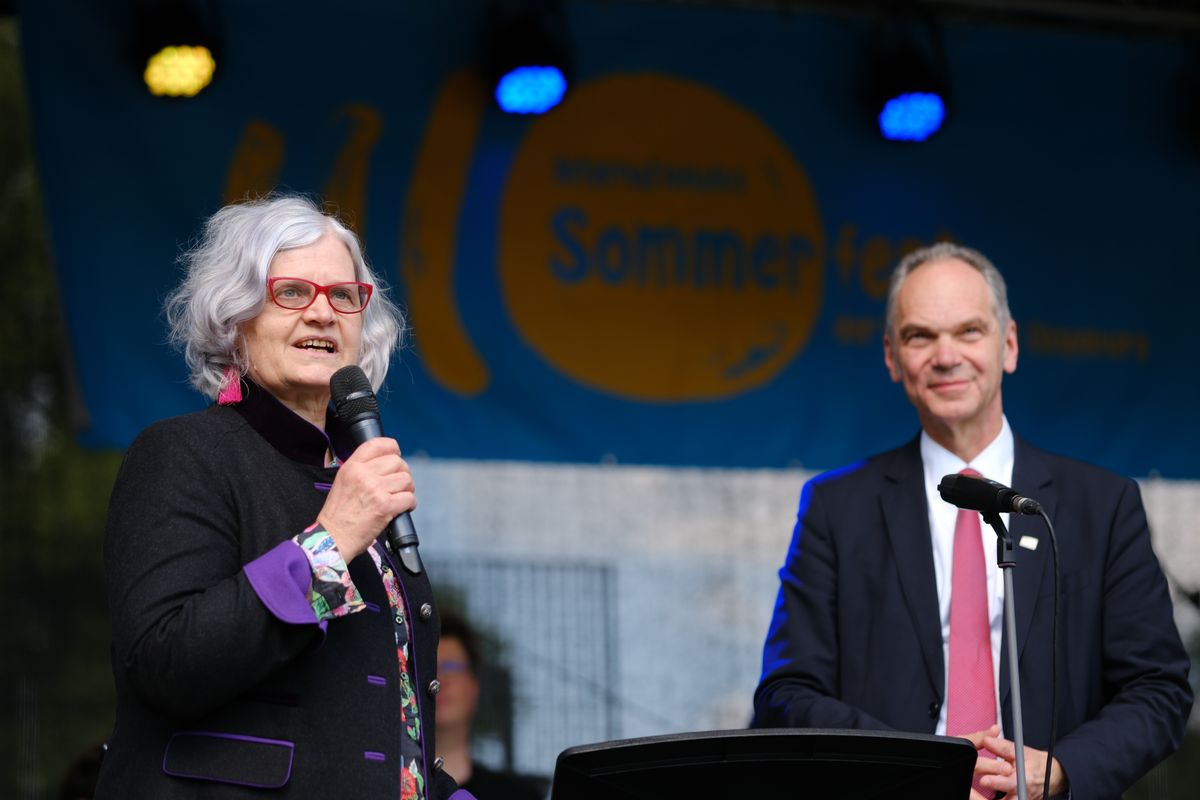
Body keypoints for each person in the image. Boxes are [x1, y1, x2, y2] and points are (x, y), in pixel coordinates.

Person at [753, 242, 1192, 799]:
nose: (945, 355)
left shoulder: (1102, 506)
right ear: (891, 357)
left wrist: (1056, 769)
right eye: (920, 336)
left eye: (968, 331)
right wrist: (914, 769)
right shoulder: (835, 507)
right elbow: (786, 692)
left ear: (1008, 345)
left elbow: (1159, 689)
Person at [95, 195, 470, 799]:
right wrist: (329, 543)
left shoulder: (356, 485)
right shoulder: (183, 453)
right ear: (235, 317)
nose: (324, 315)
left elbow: (389, 729)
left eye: (343, 296)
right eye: (293, 293)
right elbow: (163, 664)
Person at [436, 611, 546, 800]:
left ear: (473, 687)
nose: (439, 680)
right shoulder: (385, 789)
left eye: (451, 667)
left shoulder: (518, 796)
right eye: (430, 668)